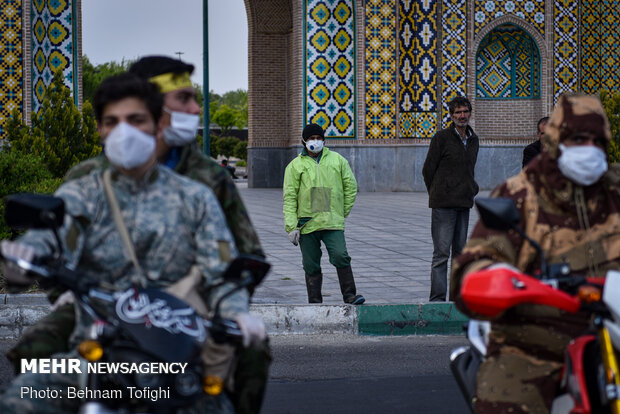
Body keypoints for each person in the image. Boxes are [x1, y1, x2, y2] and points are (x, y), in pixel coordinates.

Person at [7, 56, 270, 414]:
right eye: (112, 122)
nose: (124, 132)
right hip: (99, 320)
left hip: (180, 324)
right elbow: (58, 233)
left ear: (156, 123)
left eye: (135, 120)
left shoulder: (201, 189)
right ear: (100, 128)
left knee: (237, 373)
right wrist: (32, 262)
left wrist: (232, 310)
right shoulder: (86, 186)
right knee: (28, 383)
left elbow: (226, 265)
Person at [450, 94, 620, 414]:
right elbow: (474, 264)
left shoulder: (615, 190)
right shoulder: (520, 194)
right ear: (556, 140)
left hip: (612, 326)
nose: (589, 148)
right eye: (578, 139)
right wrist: (490, 278)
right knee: (508, 398)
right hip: (536, 341)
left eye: (596, 140)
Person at [283, 123, 365, 305]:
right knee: (311, 264)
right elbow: (289, 197)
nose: (316, 142)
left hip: (332, 222)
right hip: (307, 223)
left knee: (340, 255)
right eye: (312, 138)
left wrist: (342, 211)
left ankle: (350, 295)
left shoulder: (337, 160)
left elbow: (350, 187)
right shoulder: (295, 166)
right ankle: (315, 301)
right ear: (304, 141)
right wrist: (292, 226)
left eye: (319, 138)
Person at [422, 96, 479, 302]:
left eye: (465, 112)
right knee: (441, 254)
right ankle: (437, 299)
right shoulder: (441, 138)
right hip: (444, 205)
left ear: (470, 113)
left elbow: (469, 169)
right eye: (458, 113)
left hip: (463, 203)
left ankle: (457, 299)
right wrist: (438, 192)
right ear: (451, 115)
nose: (462, 116)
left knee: (459, 255)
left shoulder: (473, 139)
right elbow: (428, 169)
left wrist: (471, 189)